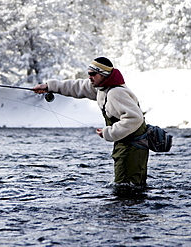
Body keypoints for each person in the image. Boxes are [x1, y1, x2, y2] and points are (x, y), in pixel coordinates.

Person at [33, 57, 149, 190]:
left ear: (104, 74)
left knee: (127, 189)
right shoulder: (102, 88)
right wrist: (49, 87)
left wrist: (108, 132)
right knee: (130, 188)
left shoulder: (116, 93)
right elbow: (76, 87)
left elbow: (135, 118)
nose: (90, 77)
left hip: (132, 148)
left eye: (93, 74)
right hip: (125, 144)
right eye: (89, 73)